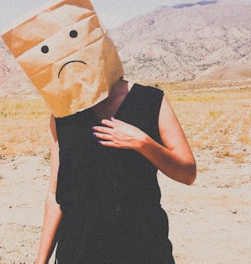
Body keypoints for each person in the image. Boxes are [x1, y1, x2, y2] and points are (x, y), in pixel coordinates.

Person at [35, 77, 197, 264]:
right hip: (79, 250)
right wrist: (41, 261)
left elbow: (188, 173)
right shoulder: (63, 112)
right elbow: (56, 192)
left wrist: (143, 144)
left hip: (144, 249)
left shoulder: (151, 100)